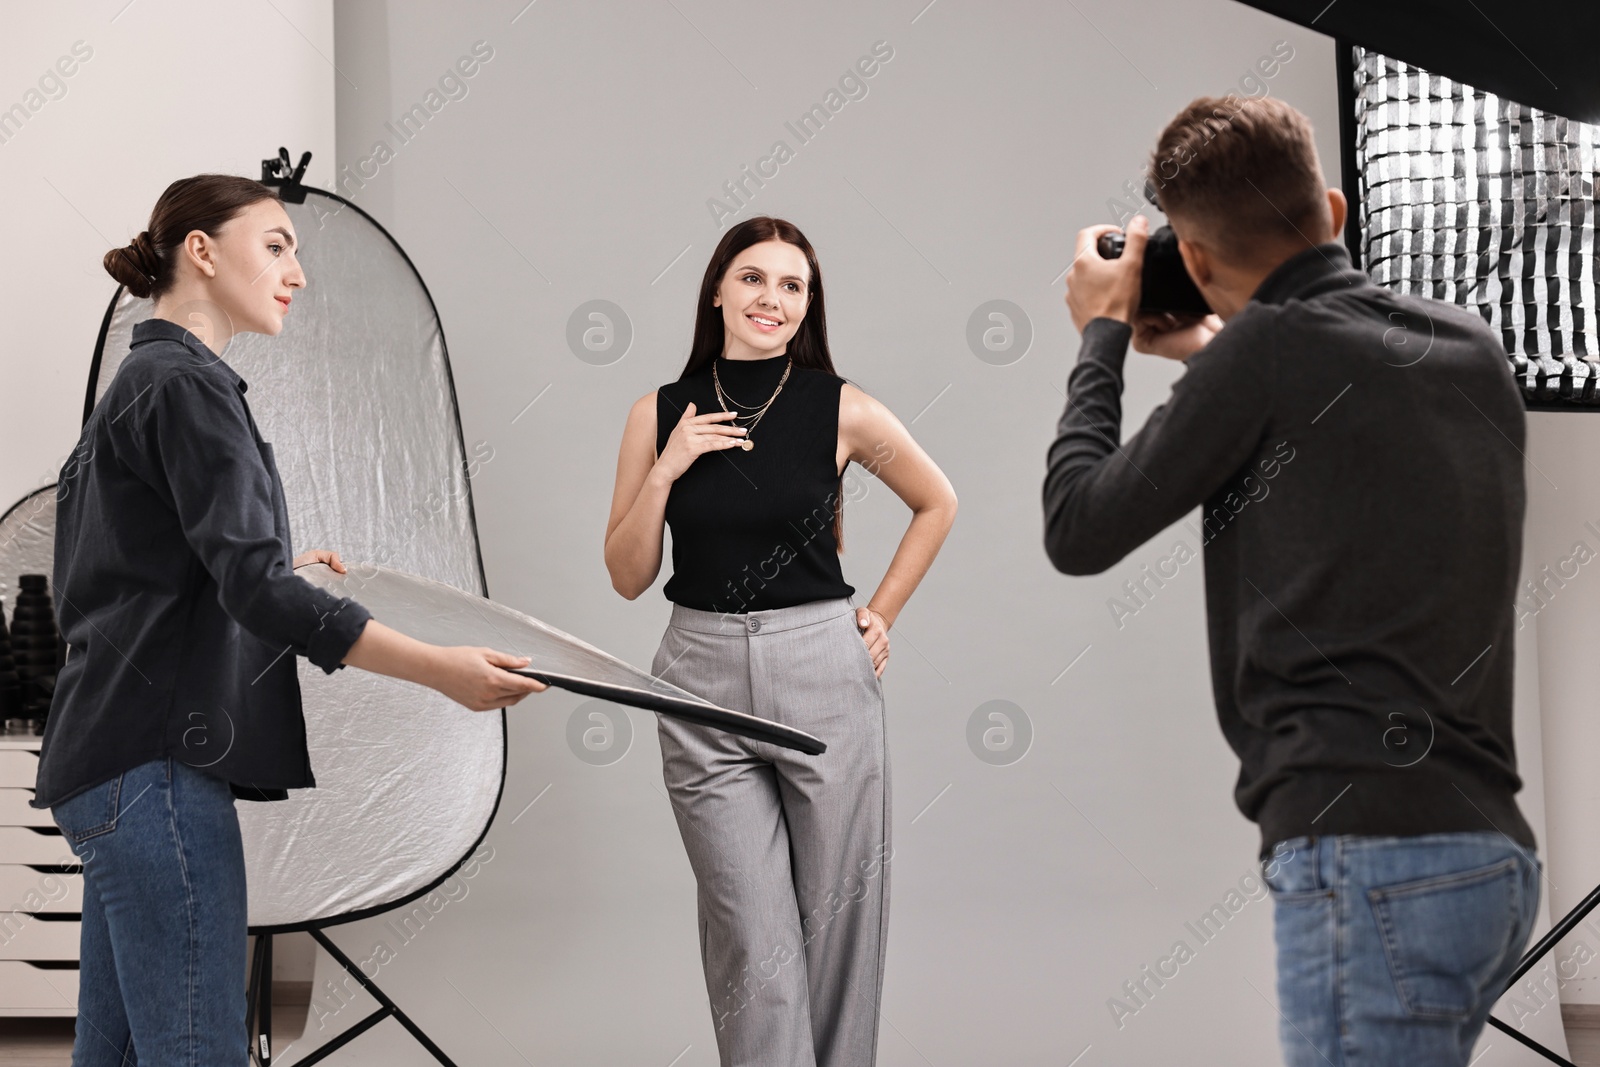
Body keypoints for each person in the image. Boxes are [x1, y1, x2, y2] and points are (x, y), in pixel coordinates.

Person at [1042, 96, 1539, 1066]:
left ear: (1189, 257)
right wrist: (1202, 353)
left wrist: (1101, 334)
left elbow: (1077, 523)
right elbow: (1330, 412)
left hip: (1365, 859)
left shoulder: (1265, 356)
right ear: (1335, 209)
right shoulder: (1471, 348)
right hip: (1488, 859)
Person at [30, 173, 548, 1066]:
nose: (297, 274)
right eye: (276, 245)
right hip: (152, 772)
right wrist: (444, 670)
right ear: (201, 250)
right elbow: (256, 594)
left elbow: (113, 585)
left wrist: (272, 568)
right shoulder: (189, 385)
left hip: (102, 767)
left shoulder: (138, 382)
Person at [604, 216, 956, 1067]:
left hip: (822, 670)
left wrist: (881, 613)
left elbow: (937, 499)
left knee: (838, 929)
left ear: (808, 306)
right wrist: (667, 465)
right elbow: (625, 573)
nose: (772, 298)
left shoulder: (842, 406)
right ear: (718, 289)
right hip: (698, 676)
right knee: (750, 943)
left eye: (792, 286)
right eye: (754, 278)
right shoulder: (656, 411)